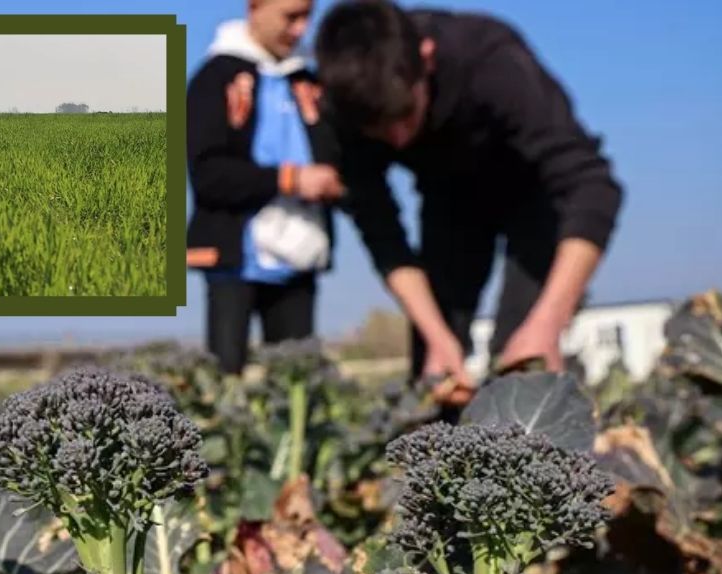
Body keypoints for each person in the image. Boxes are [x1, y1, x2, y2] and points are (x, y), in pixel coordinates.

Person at [315, 0, 623, 393]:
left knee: (522, 365)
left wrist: (549, 321)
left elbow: (592, 185)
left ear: (425, 59)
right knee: (434, 371)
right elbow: (381, 232)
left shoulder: (490, 61)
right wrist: (438, 337)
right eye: (378, 128)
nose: (396, 138)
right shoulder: (345, 105)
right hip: (449, 203)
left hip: (534, 198)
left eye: (405, 114)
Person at [187, 0, 346, 375]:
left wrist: (336, 181)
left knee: (297, 385)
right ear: (255, 8)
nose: (300, 29)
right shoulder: (215, 77)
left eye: (307, 17)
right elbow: (207, 174)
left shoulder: (309, 81)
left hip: (301, 253)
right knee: (223, 381)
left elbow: (341, 155)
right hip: (234, 256)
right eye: (290, 17)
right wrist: (289, 180)